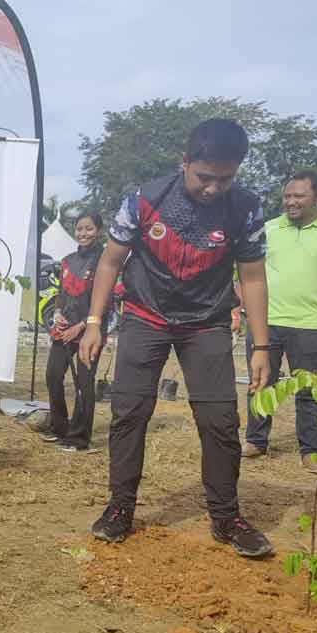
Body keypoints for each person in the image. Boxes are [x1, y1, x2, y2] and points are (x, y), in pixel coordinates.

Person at [79, 119, 273, 558]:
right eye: (205, 177)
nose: (214, 188)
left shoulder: (245, 208)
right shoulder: (145, 200)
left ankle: (227, 518)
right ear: (184, 162)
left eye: (225, 178)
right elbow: (110, 262)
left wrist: (260, 347)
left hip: (206, 321)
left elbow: (254, 277)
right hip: (146, 316)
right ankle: (119, 508)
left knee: (220, 421)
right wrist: (94, 321)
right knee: (129, 412)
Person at [242, 170, 317, 468]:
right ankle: (256, 440)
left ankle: (311, 450)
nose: (291, 202)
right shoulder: (268, 229)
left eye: (299, 195)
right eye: (287, 196)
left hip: (311, 324)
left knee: (309, 391)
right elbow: (246, 272)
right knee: (261, 382)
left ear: (315, 198)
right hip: (267, 322)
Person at [41, 211, 105, 453]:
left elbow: (105, 299)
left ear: (98, 230)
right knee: (53, 376)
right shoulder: (67, 261)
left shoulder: (104, 260)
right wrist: (57, 314)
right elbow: (61, 294)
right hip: (63, 331)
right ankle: (60, 427)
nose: (83, 233)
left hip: (89, 332)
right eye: (79, 229)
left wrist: (83, 326)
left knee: (83, 384)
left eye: (89, 228)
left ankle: (80, 438)